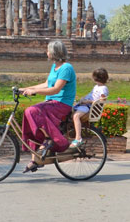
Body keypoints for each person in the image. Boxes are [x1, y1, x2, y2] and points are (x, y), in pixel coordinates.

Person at [19, 40, 77, 173]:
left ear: (54, 52)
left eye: (48, 50)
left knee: (32, 110)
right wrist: (26, 88)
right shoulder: (54, 66)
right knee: (28, 113)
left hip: (61, 104)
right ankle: (36, 159)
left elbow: (55, 89)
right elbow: (47, 84)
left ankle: (52, 139)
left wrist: (35, 91)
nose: (47, 52)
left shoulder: (66, 68)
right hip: (51, 103)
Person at [70, 68, 109, 150]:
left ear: (95, 77)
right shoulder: (96, 87)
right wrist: (82, 99)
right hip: (84, 105)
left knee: (76, 116)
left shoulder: (103, 88)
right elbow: (91, 95)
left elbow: (101, 101)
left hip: (87, 107)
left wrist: (88, 101)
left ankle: (78, 138)